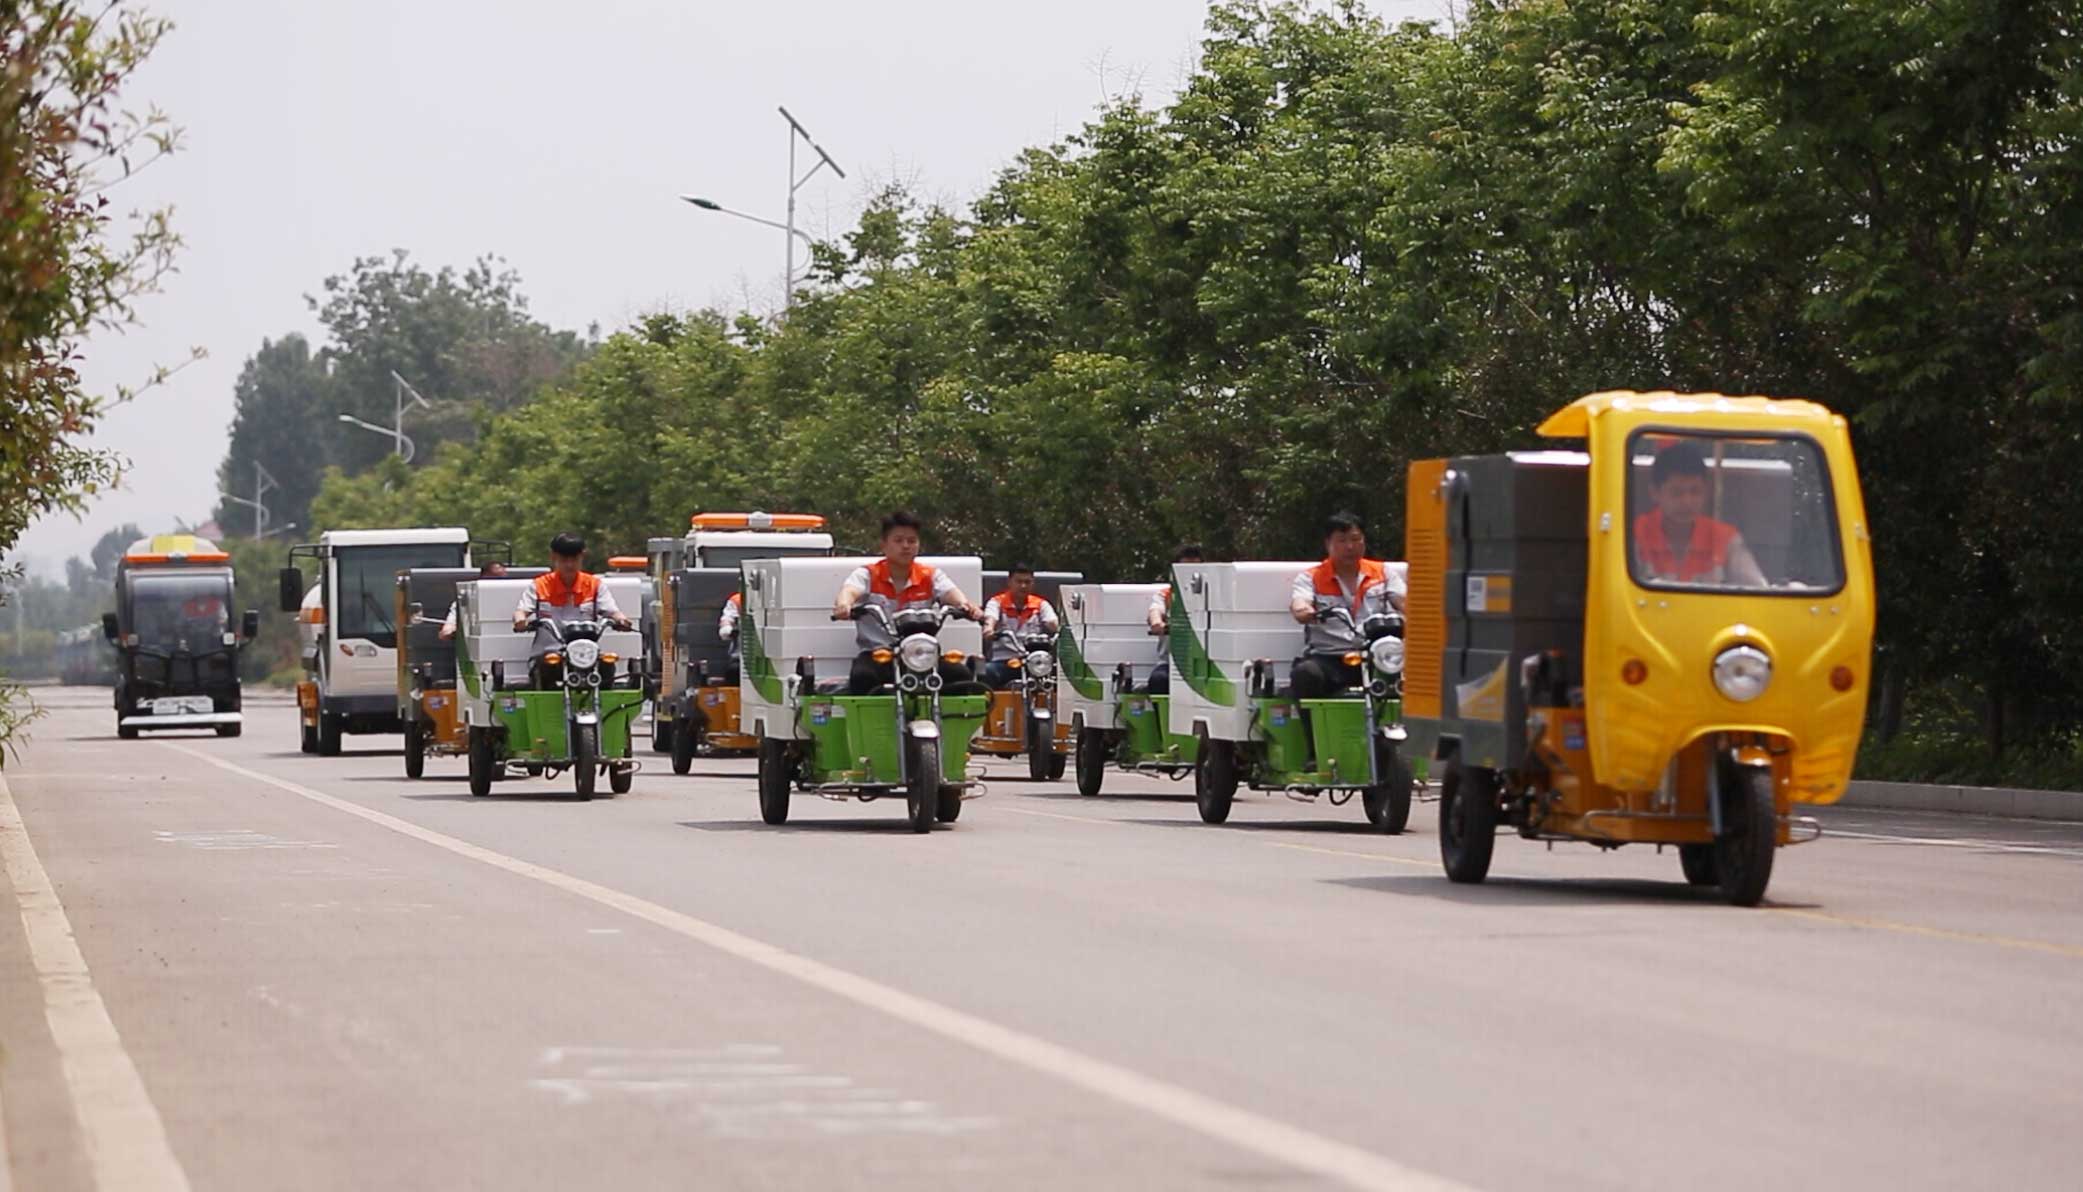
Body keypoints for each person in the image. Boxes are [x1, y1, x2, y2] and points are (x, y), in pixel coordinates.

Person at [831, 511, 984, 695]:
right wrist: (844, 605)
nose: (906, 546)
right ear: (884, 545)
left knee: (960, 675)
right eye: (899, 540)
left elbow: (952, 593)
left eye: (912, 541)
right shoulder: (868, 574)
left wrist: (966, 606)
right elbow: (849, 590)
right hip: (879, 654)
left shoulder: (930, 575)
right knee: (862, 677)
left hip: (920, 654)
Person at [1289, 511, 1405, 708]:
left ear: (1364, 541)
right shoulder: (1311, 578)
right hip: (1330, 658)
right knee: (1305, 675)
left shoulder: (1383, 573)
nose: (1350, 547)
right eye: (1341, 540)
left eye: (1355, 539)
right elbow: (1300, 603)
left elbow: (1404, 601)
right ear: (1328, 544)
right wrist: (1304, 611)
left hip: (1377, 656)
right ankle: (1315, 738)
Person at [1633, 441, 1768, 586]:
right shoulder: (1635, 534)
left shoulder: (1725, 538)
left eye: (1695, 491)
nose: (1687, 501)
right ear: (1655, 492)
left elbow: (1758, 591)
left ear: (1706, 492)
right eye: (1677, 492)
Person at [512, 533, 632, 652]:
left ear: (582, 557)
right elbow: (522, 610)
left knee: (607, 664)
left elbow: (612, 611)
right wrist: (520, 620)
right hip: (549, 652)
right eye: (564, 560)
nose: (569, 565)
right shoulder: (540, 585)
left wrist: (621, 620)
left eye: (574, 559)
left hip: (585, 652)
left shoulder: (594, 585)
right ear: (553, 557)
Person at [980, 564, 1061, 689]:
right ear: (1009, 582)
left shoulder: (1040, 604)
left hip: (1034, 662)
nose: (1023, 586)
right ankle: (990, 706)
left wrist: (1059, 630)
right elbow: (990, 618)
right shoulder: (997, 602)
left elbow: (1053, 623)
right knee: (987, 671)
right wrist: (989, 629)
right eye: (1019, 581)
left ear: (1033, 583)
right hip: (1005, 661)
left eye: (1027, 582)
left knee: (1060, 676)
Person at [1143, 544, 1204, 695]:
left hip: (1203, 663)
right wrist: (1158, 623)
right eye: (1185, 570)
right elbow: (1155, 610)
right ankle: (1162, 718)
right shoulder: (1167, 594)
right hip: (1171, 663)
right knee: (1159, 680)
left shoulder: (1211, 594)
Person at [439, 561, 507, 640]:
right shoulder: (465, 601)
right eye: (493, 579)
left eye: (501, 579)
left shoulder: (516, 600)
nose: (496, 583)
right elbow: (445, 633)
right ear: (482, 579)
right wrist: (454, 631)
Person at [715, 590, 743, 684]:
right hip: (740, 654)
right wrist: (727, 629)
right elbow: (727, 618)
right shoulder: (737, 600)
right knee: (734, 670)